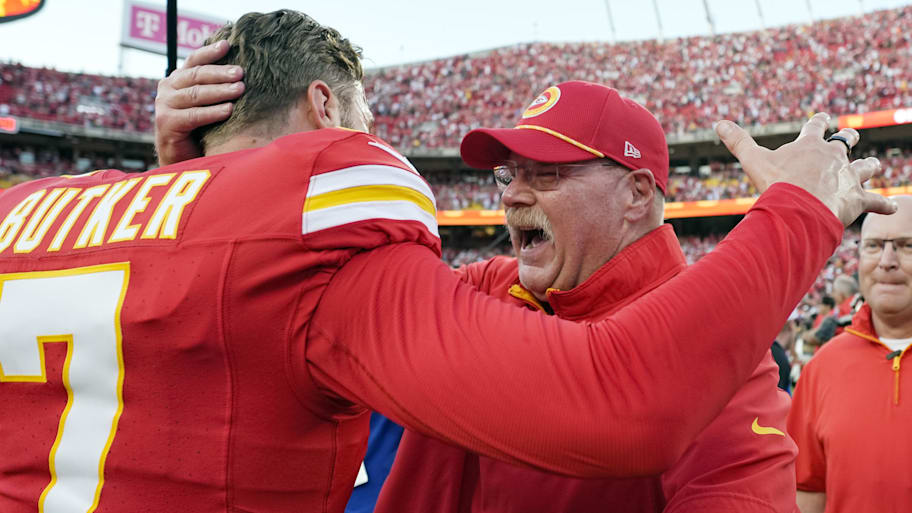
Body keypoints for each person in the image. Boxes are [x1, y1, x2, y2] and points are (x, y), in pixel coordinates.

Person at [34, 11, 882, 513]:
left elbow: (636, 386)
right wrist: (200, 181)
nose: (510, 193)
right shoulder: (488, 287)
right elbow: (272, 302)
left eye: (545, 171)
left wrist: (791, 215)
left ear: (637, 194)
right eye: (507, 171)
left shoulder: (724, 376)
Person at [788, 195, 912, 513]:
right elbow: (807, 491)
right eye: (873, 246)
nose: (887, 260)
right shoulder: (822, 368)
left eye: (906, 245)